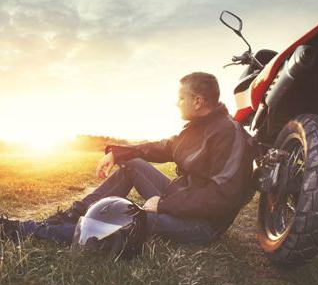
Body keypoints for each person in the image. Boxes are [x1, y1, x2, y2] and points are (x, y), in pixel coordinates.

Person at [0, 72, 254, 247]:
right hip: (180, 198)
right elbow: (163, 147)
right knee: (132, 165)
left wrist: (164, 205)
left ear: (198, 101)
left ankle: (27, 231)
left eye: (181, 97)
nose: (176, 103)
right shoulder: (196, 127)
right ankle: (68, 217)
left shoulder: (228, 133)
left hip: (202, 224)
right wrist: (118, 152)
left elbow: (223, 198)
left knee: (122, 220)